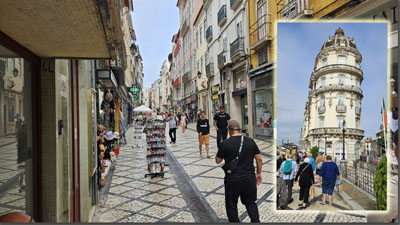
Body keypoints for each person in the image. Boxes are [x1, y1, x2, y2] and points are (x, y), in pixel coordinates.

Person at [215, 120, 262, 222]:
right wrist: (258, 173)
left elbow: (217, 161)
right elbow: (259, 158)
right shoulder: (250, 141)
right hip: (249, 178)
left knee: (231, 204)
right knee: (250, 202)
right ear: (240, 129)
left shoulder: (225, 143)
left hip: (232, 179)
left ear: (229, 130)